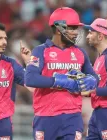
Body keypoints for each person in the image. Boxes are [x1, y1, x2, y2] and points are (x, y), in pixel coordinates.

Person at [24, 7, 99, 140]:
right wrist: (58, 81)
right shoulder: (41, 51)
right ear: (59, 28)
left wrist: (91, 80)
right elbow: (30, 79)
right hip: (46, 116)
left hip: (73, 117)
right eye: (72, 28)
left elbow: (94, 77)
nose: (76, 32)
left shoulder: (80, 53)